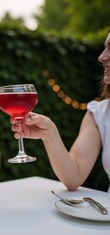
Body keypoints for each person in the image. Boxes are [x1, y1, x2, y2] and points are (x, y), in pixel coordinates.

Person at [10, 32, 110, 192]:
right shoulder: (98, 113)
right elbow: (74, 177)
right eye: (105, 47)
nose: (101, 57)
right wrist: (49, 133)